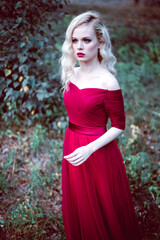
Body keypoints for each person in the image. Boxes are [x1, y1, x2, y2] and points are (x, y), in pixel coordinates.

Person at [60, 11, 141, 240]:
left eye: (86, 40)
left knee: (101, 207)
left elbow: (119, 125)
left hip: (97, 150)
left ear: (100, 43)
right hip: (72, 143)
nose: (80, 46)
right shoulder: (71, 74)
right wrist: (79, 147)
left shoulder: (108, 82)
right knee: (79, 202)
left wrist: (89, 149)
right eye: (75, 40)